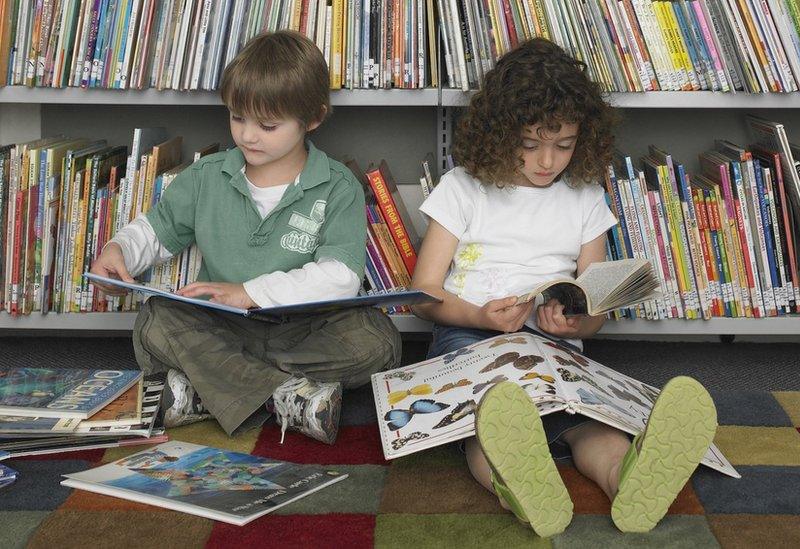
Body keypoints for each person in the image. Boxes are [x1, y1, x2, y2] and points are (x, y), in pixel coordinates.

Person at [409, 38, 717, 536]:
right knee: (490, 427)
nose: (547, 162)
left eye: (564, 145)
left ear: (584, 138)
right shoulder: (462, 188)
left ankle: (629, 480)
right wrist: (479, 317)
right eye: (529, 145)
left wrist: (577, 320)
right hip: (472, 340)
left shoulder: (585, 197)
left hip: (556, 348)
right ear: (497, 133)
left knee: (590, 425)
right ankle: (529, 490)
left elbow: (593, 302)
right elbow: (424, 293)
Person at [90, 30, 400, 445]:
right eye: (238, 118)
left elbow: (340, 275)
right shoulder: (207, 175)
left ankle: (208, 391)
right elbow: (156, 229)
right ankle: (285, 395)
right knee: (155, 321)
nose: (248, 136)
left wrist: (249, 291)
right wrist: (119, 248)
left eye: (267, 125)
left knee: (378, 341)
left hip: (305, 330)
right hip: (223, 327)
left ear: (313, 119)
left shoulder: (337, 185)